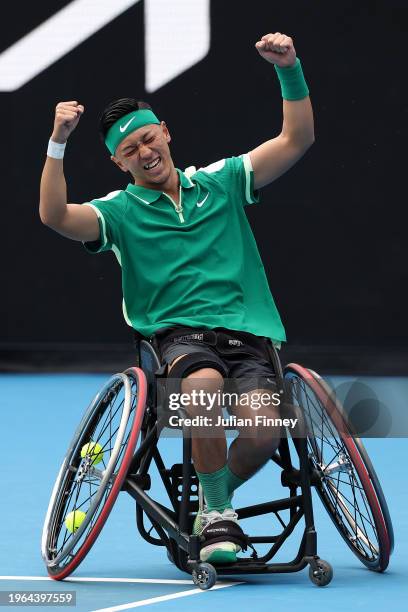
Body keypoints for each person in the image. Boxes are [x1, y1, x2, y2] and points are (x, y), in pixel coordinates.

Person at [39, 31, 314, 565]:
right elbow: (54, 216)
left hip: (248, 334)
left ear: (165, 133)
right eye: (129, 150)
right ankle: (216, 511)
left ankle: (216, 499)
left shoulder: (223, 181)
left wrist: (289, 69)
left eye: (148, 138)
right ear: (119, 163)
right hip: (178, 339)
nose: (144, 152)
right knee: (204, 387)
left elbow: (296, 138)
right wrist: (57, 142)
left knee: (263, 428)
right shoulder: (118, 211)